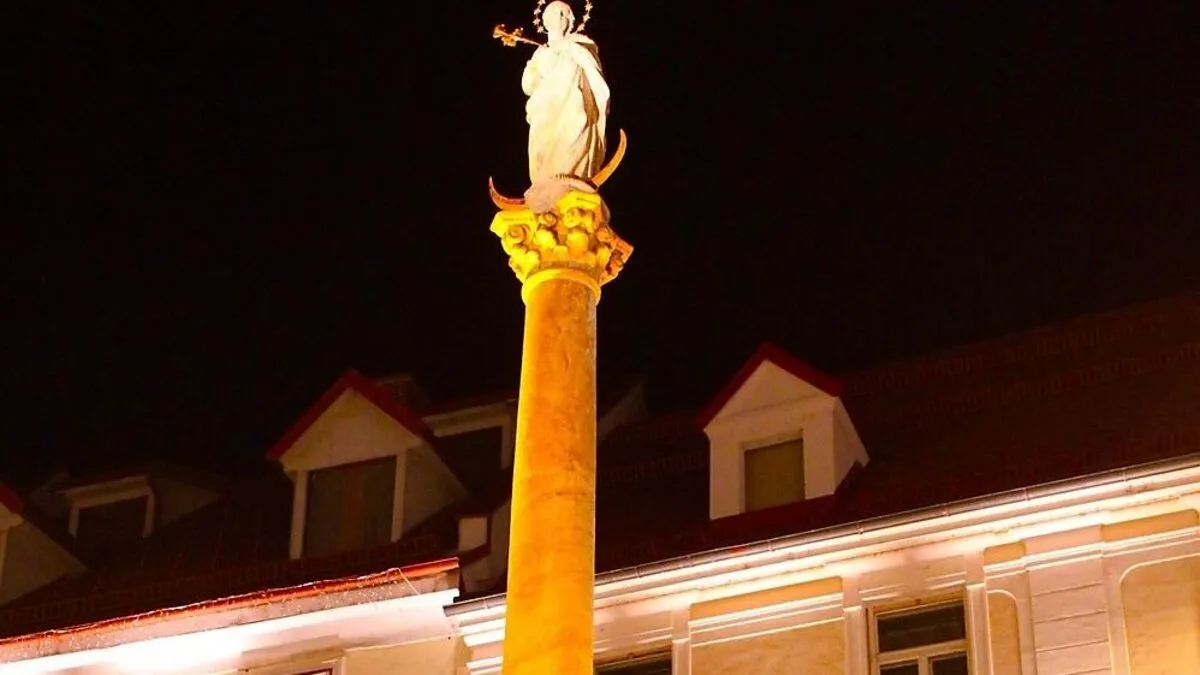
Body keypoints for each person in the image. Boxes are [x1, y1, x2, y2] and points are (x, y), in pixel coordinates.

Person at [521, 1, 610, 189]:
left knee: (573, 133)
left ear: (570, 20)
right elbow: (528, 85)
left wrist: (569, 50)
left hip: (572, 102)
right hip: (546, 106)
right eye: (554, 13)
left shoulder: (580, 44)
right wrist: (534, 66)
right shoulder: (540, 52)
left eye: (564, 14)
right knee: (543, 144)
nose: (559, 18)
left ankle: (571, 175)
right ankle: (544, 182)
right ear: (545, 21)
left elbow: (592, 71)